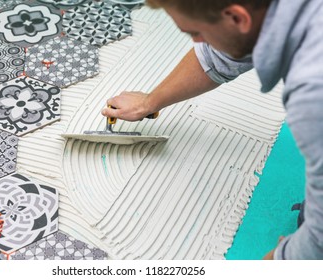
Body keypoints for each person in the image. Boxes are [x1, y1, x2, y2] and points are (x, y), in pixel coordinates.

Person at [101, 0, 323, 260]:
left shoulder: (312, 94)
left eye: (197, 33)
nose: (198, 41)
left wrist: (286, 259)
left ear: (238, 19)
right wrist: (149, 102)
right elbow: (222, 55)